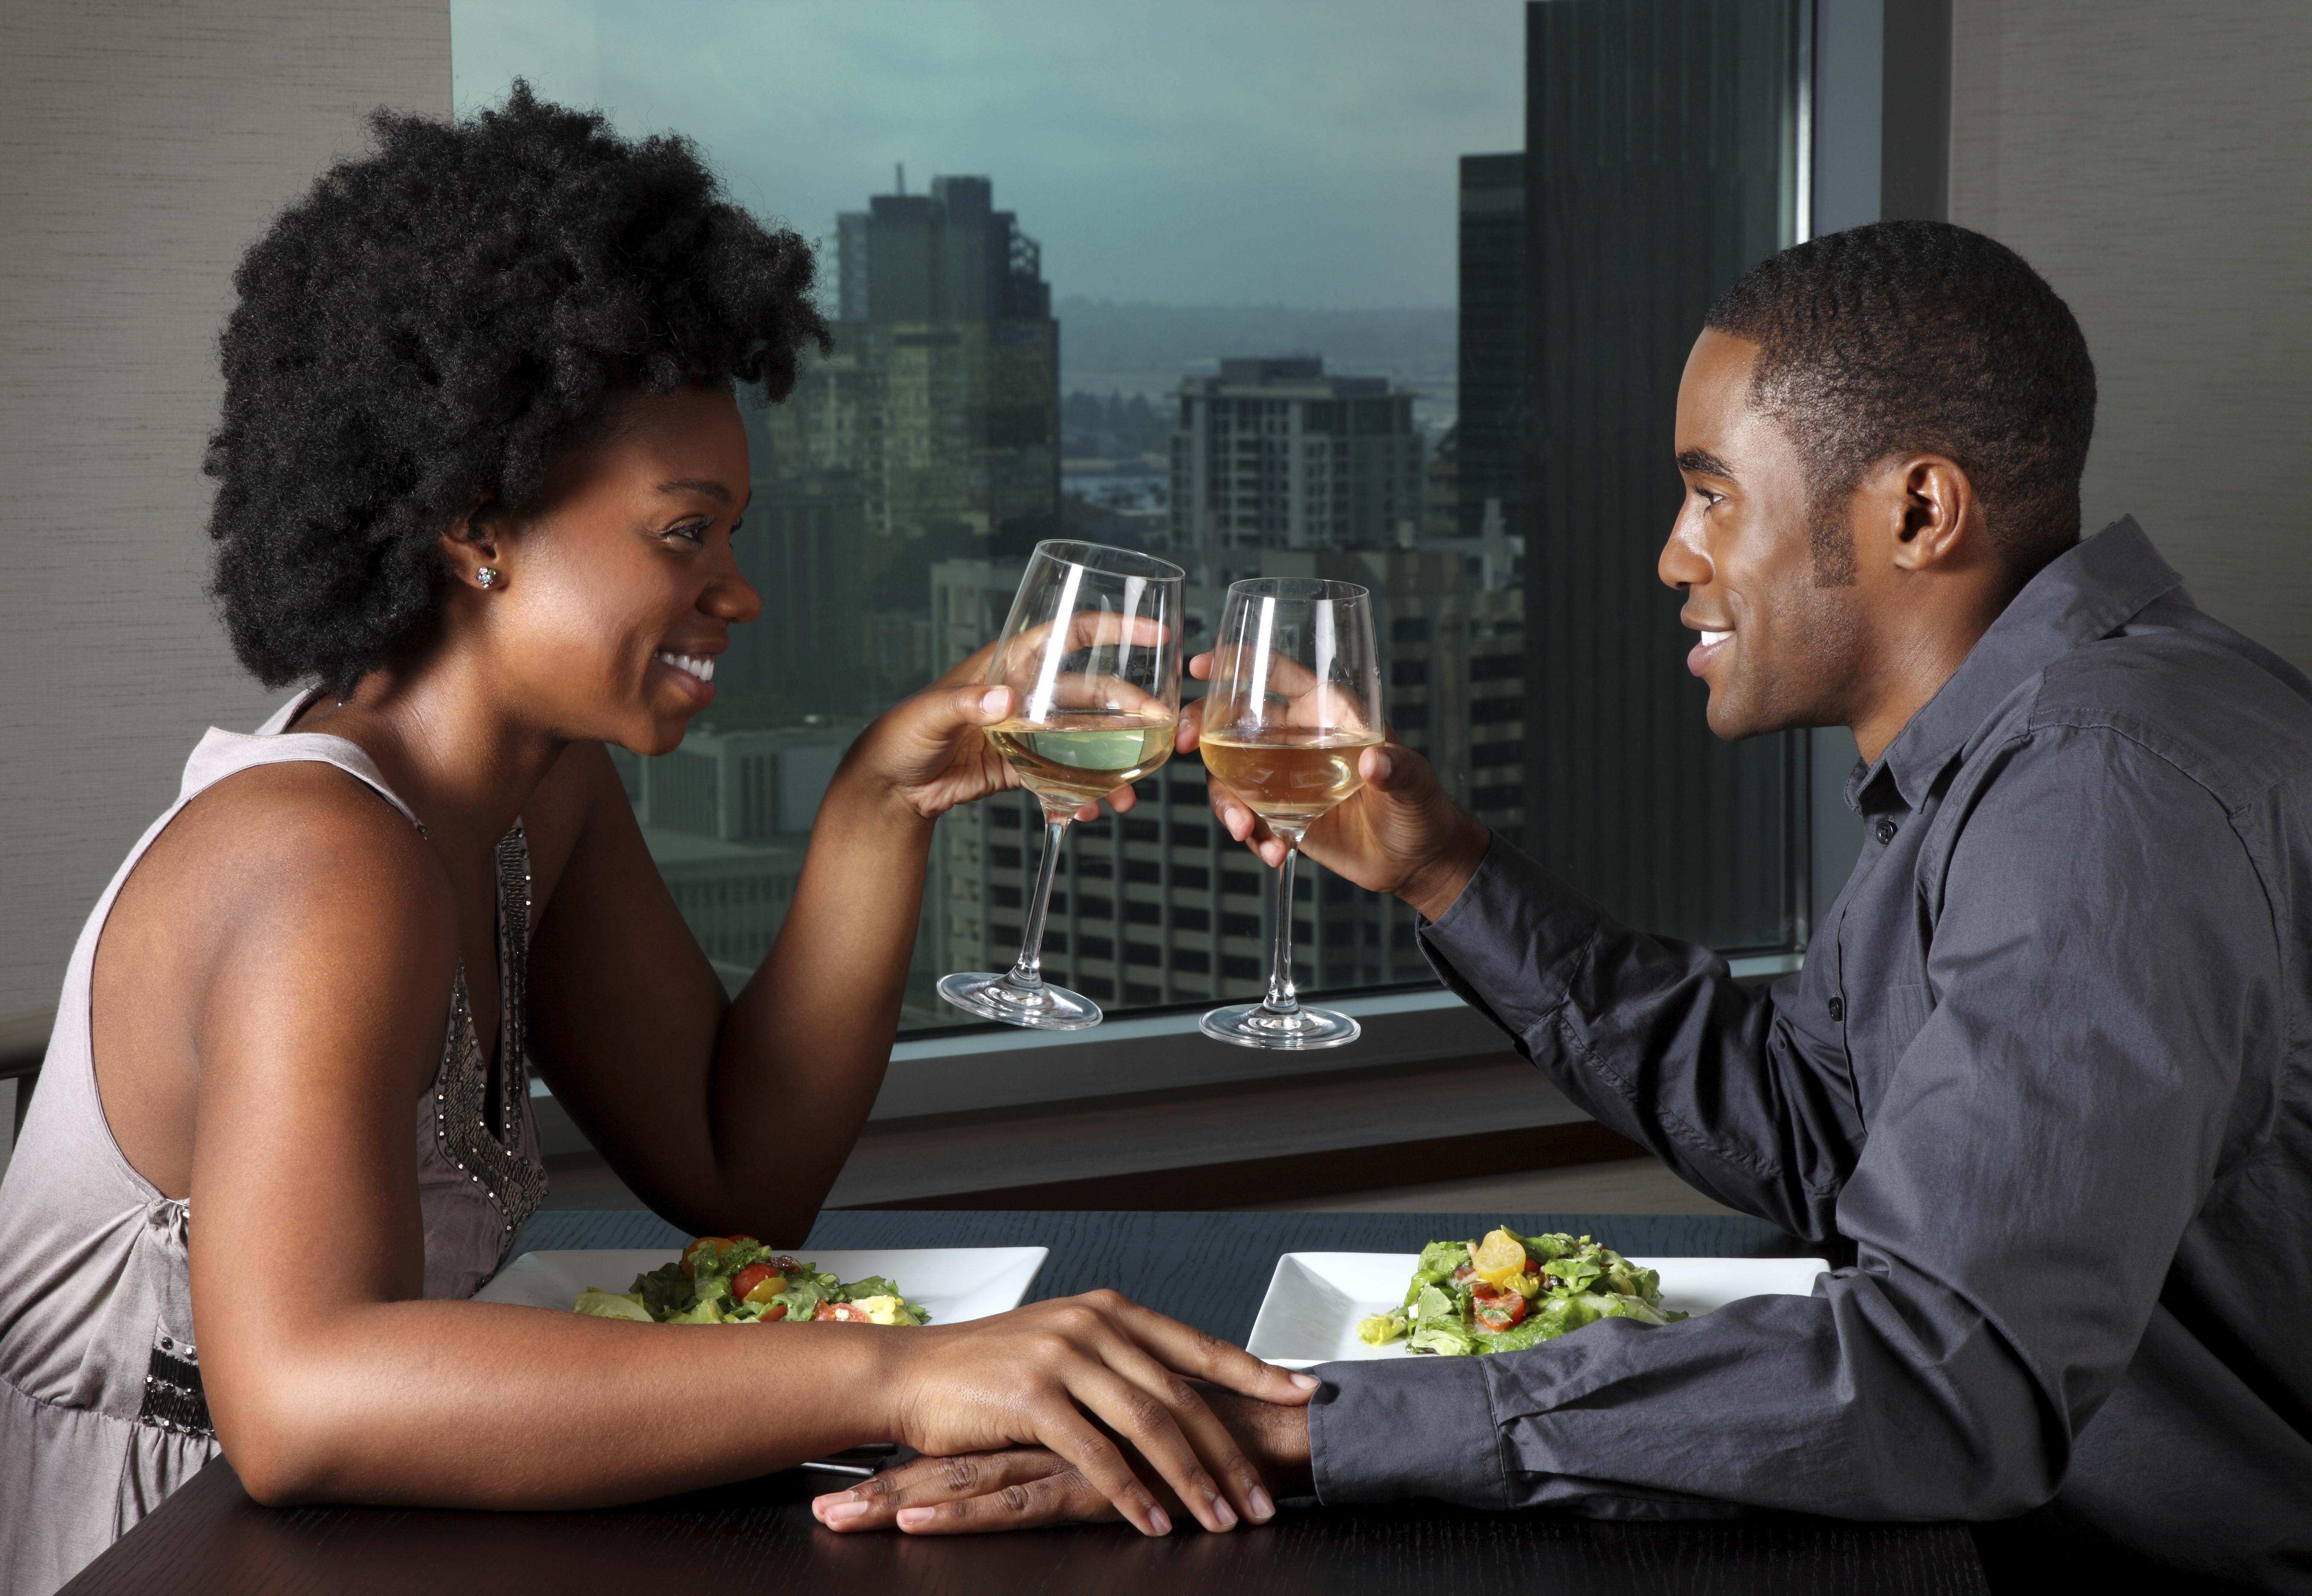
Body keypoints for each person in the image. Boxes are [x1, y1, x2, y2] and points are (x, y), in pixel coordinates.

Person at [812, 222, 2312, 1590]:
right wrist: (1442, 870)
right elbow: (1818, 1131)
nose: (1674, 554)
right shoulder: (2026, 750)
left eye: (1711, 493)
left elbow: (1943, 1384)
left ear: (1918, 510)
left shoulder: (2106, 794)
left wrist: (1295, 1430)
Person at [0, 86, 1313, 1596]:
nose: (739, 590)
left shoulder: (537, 790)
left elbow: (737, 1169)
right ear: (477, 530)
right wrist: (905, 1378)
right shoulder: (319, 856)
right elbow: (303, 1403)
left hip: (375, 1540)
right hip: (165, 1552)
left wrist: (882, 799)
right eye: (687, 533)